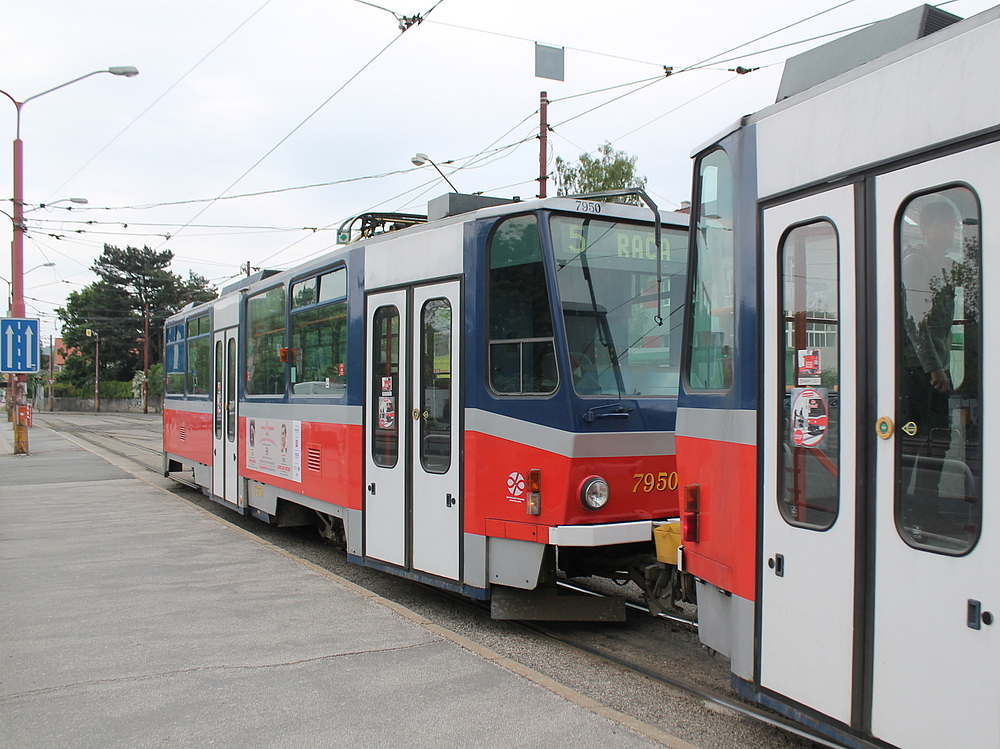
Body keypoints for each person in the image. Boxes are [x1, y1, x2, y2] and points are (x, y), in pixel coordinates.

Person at [899, 199, 958, 499]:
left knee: (939, 442)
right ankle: (908, 508)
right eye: (939, 225)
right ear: (924, 228)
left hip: (936, 368)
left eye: (950, 226)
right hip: (917, 370)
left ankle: (926, 503)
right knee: (916, 440)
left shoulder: (946, 266)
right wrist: (933, 367)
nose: (946, 232)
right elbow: (913, 320)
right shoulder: (916, 262)